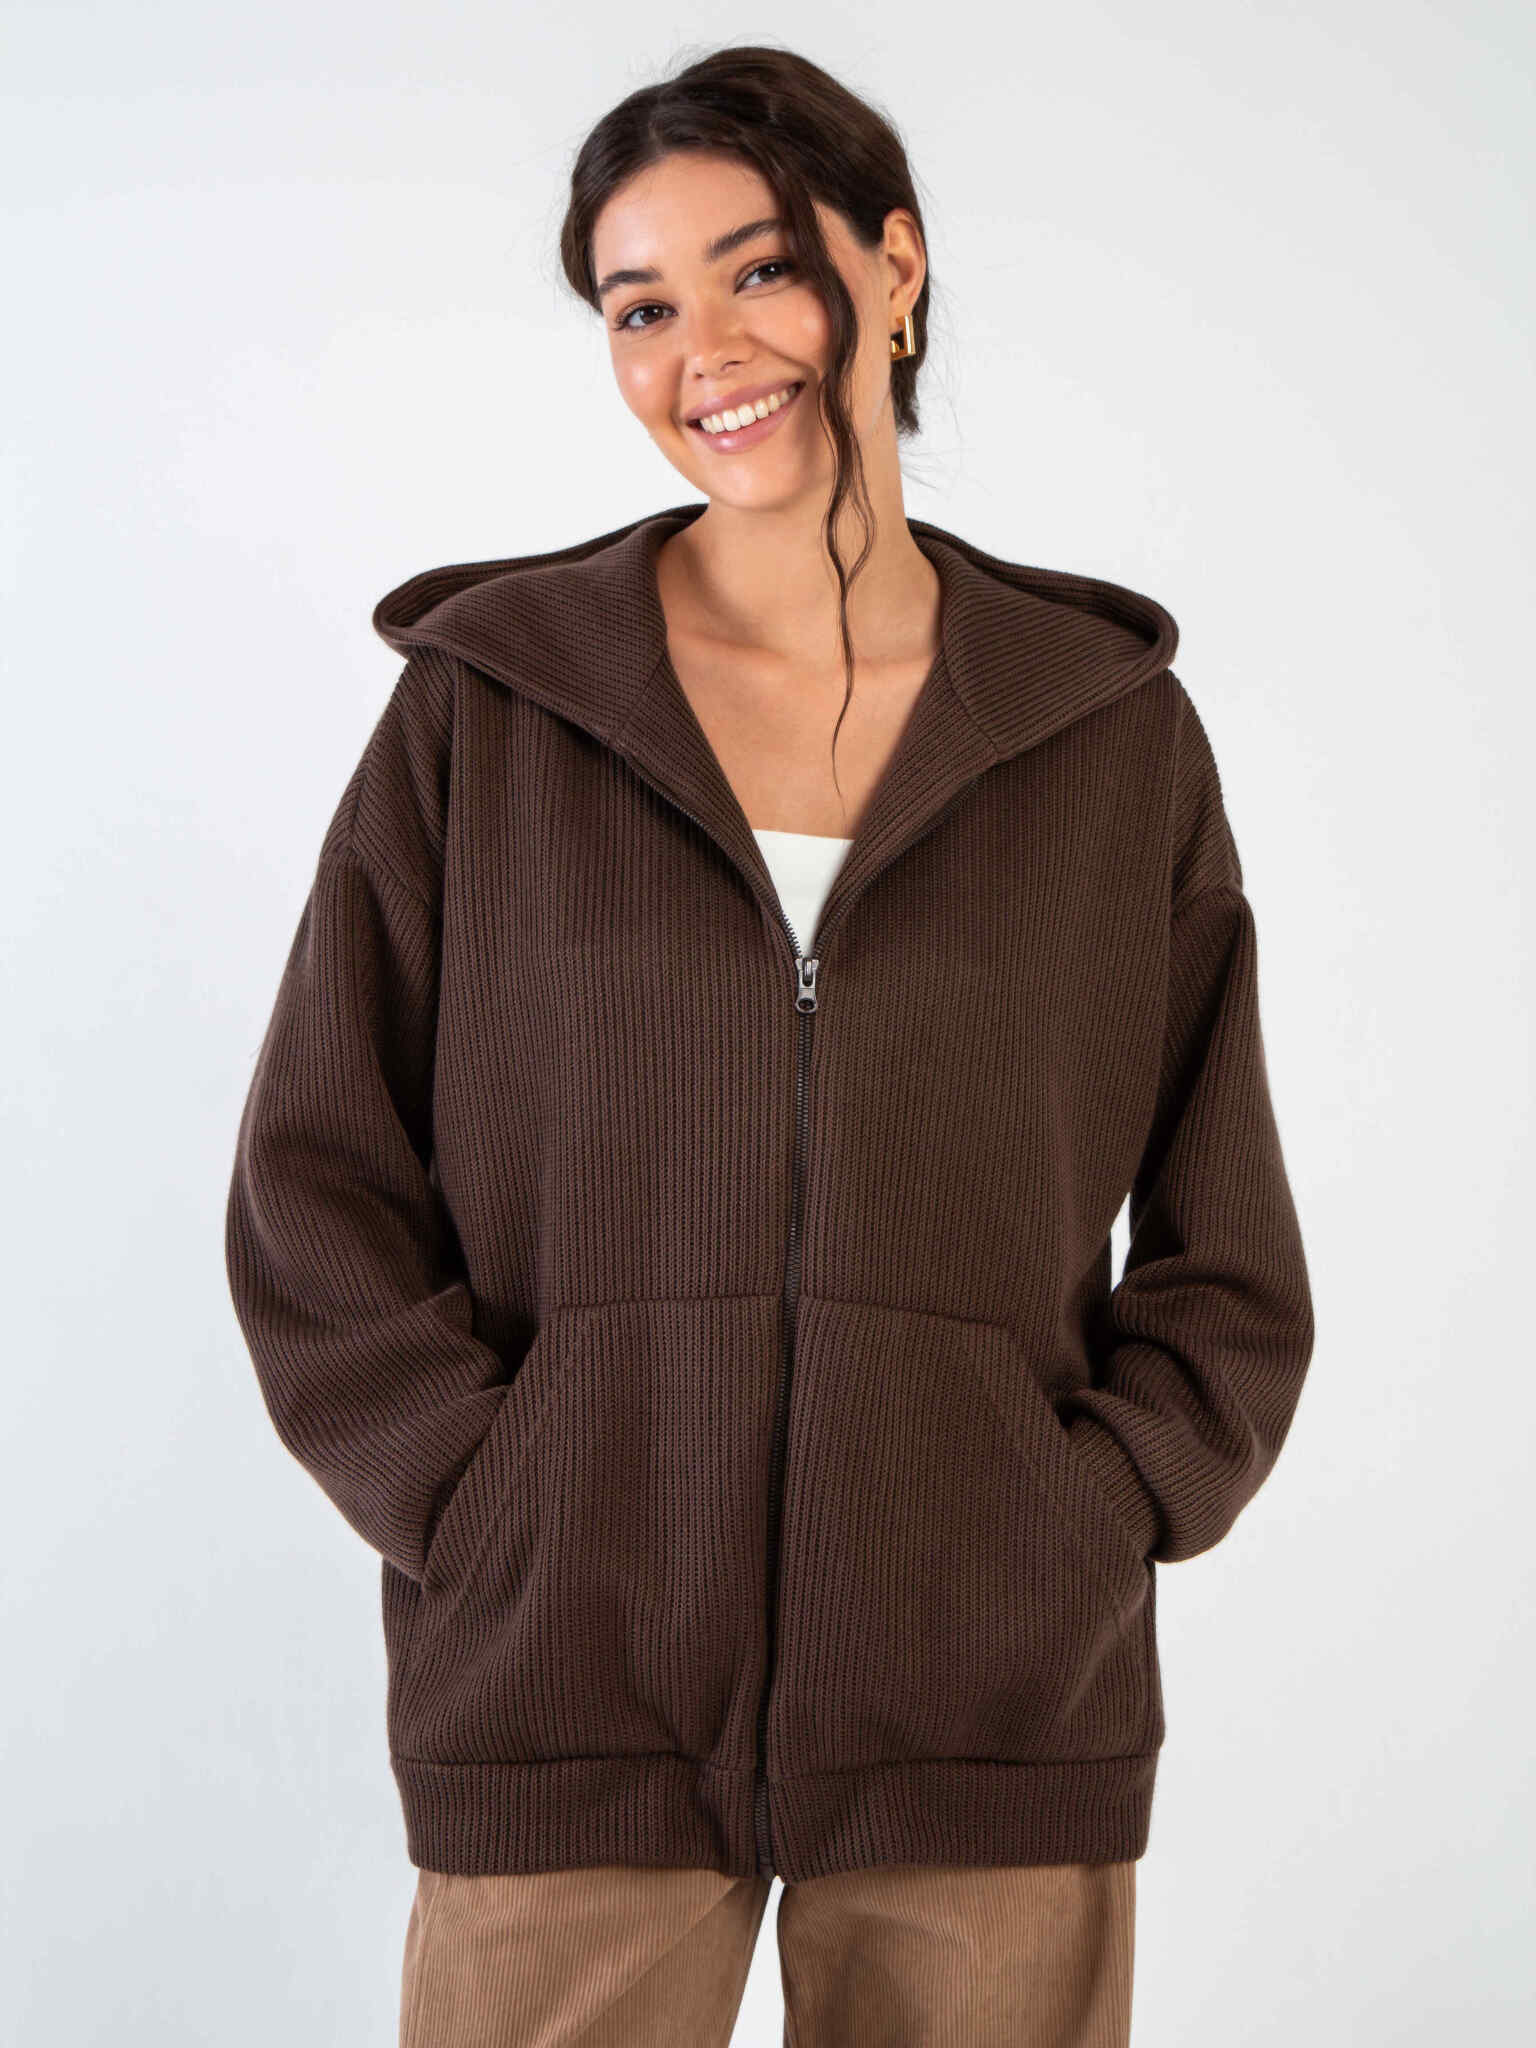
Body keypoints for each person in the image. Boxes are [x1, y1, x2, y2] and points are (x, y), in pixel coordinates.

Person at [224, 42, 1316, 2047]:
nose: (702, 352)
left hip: (993, 1696)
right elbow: (319, 1182)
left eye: (759, 272)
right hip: (567, 1680)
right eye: (639, 306)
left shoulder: (1102, 734)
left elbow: (1226, 1243)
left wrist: (1086, 1512)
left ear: (892, 268)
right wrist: (494, 1502)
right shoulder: (492, 711)